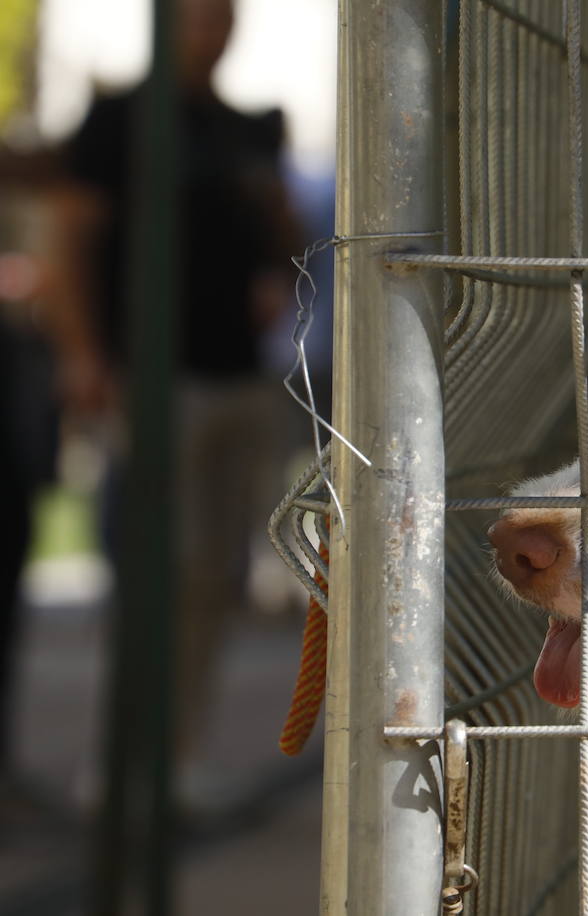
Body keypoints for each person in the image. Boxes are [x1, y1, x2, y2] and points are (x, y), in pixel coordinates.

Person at [58, 0, 300, 777]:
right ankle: (122, 761)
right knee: (153, 576)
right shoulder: (116, 119)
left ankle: (178, 754)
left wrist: (274, 249)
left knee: (213, 580)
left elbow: (288, 246)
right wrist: (86, 354)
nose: (209, 27)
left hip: (240, 378)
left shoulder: (252, 126)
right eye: (194, 13)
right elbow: (72, 239)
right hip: (151, 383)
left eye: (220, 13)